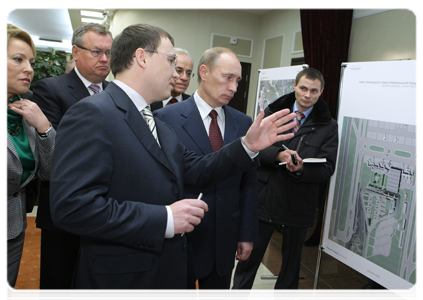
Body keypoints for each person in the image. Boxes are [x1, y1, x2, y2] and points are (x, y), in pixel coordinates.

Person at [49, 23, 297, 300]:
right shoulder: (93, 113)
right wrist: (165, 218)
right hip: (121, 282)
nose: (177, 73)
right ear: (142, 57)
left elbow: (199, 169)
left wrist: (248, 146)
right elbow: (72, 207)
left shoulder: (155, 123)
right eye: (171, 61)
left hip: (159, 275)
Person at [155, 47, 258, 300]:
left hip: (225, 237)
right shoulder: (165, 118)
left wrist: (246, 234)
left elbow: (249, 183)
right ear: (204, 72)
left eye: (238, 81)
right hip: (182, 238)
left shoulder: (244, 123)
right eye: (228, 77)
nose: (233, 87)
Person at [230, 68, 339, 300]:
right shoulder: (272, 114)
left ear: (321, 92)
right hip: (265, 197)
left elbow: (328, 167)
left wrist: (302, 168)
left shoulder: (328, 126)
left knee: (291, 265)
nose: (307, 95)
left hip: (299, 203)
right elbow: (251, 149)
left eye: (313, 91)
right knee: (249, 260)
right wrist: (277, 155)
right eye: (303, 88)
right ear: (294, 85)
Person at [31, 22, 113, 300]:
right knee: (60, 283)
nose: (104, 59)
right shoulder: (51, 89)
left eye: (109, 53)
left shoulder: (115, 92)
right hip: (65, 209)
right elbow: (56, 152)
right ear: (76, 52)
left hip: (108, 205)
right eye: (96, 51)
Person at [5, 23, 55, 300]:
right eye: (18, 59)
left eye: (31, 62)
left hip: (13, 228)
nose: (29, 69)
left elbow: (49, 172)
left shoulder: (25, 111)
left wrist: (44, 128)